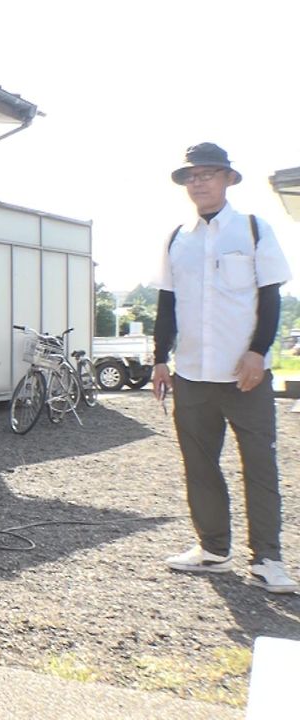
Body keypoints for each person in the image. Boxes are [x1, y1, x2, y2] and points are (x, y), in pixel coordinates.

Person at [153, 142, 297, 594]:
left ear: (228, 179)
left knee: (259, 466)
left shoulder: (253, 229)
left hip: (245, 375)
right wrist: (159, 359)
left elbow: (270, 296)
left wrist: (258, 351)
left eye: (208, 174)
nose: (198, 183)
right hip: (192, 375)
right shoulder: (178, 238)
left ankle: (268, 559)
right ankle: (213, 549)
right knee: (200, 466)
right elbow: (167, 304)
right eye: (191, 176)